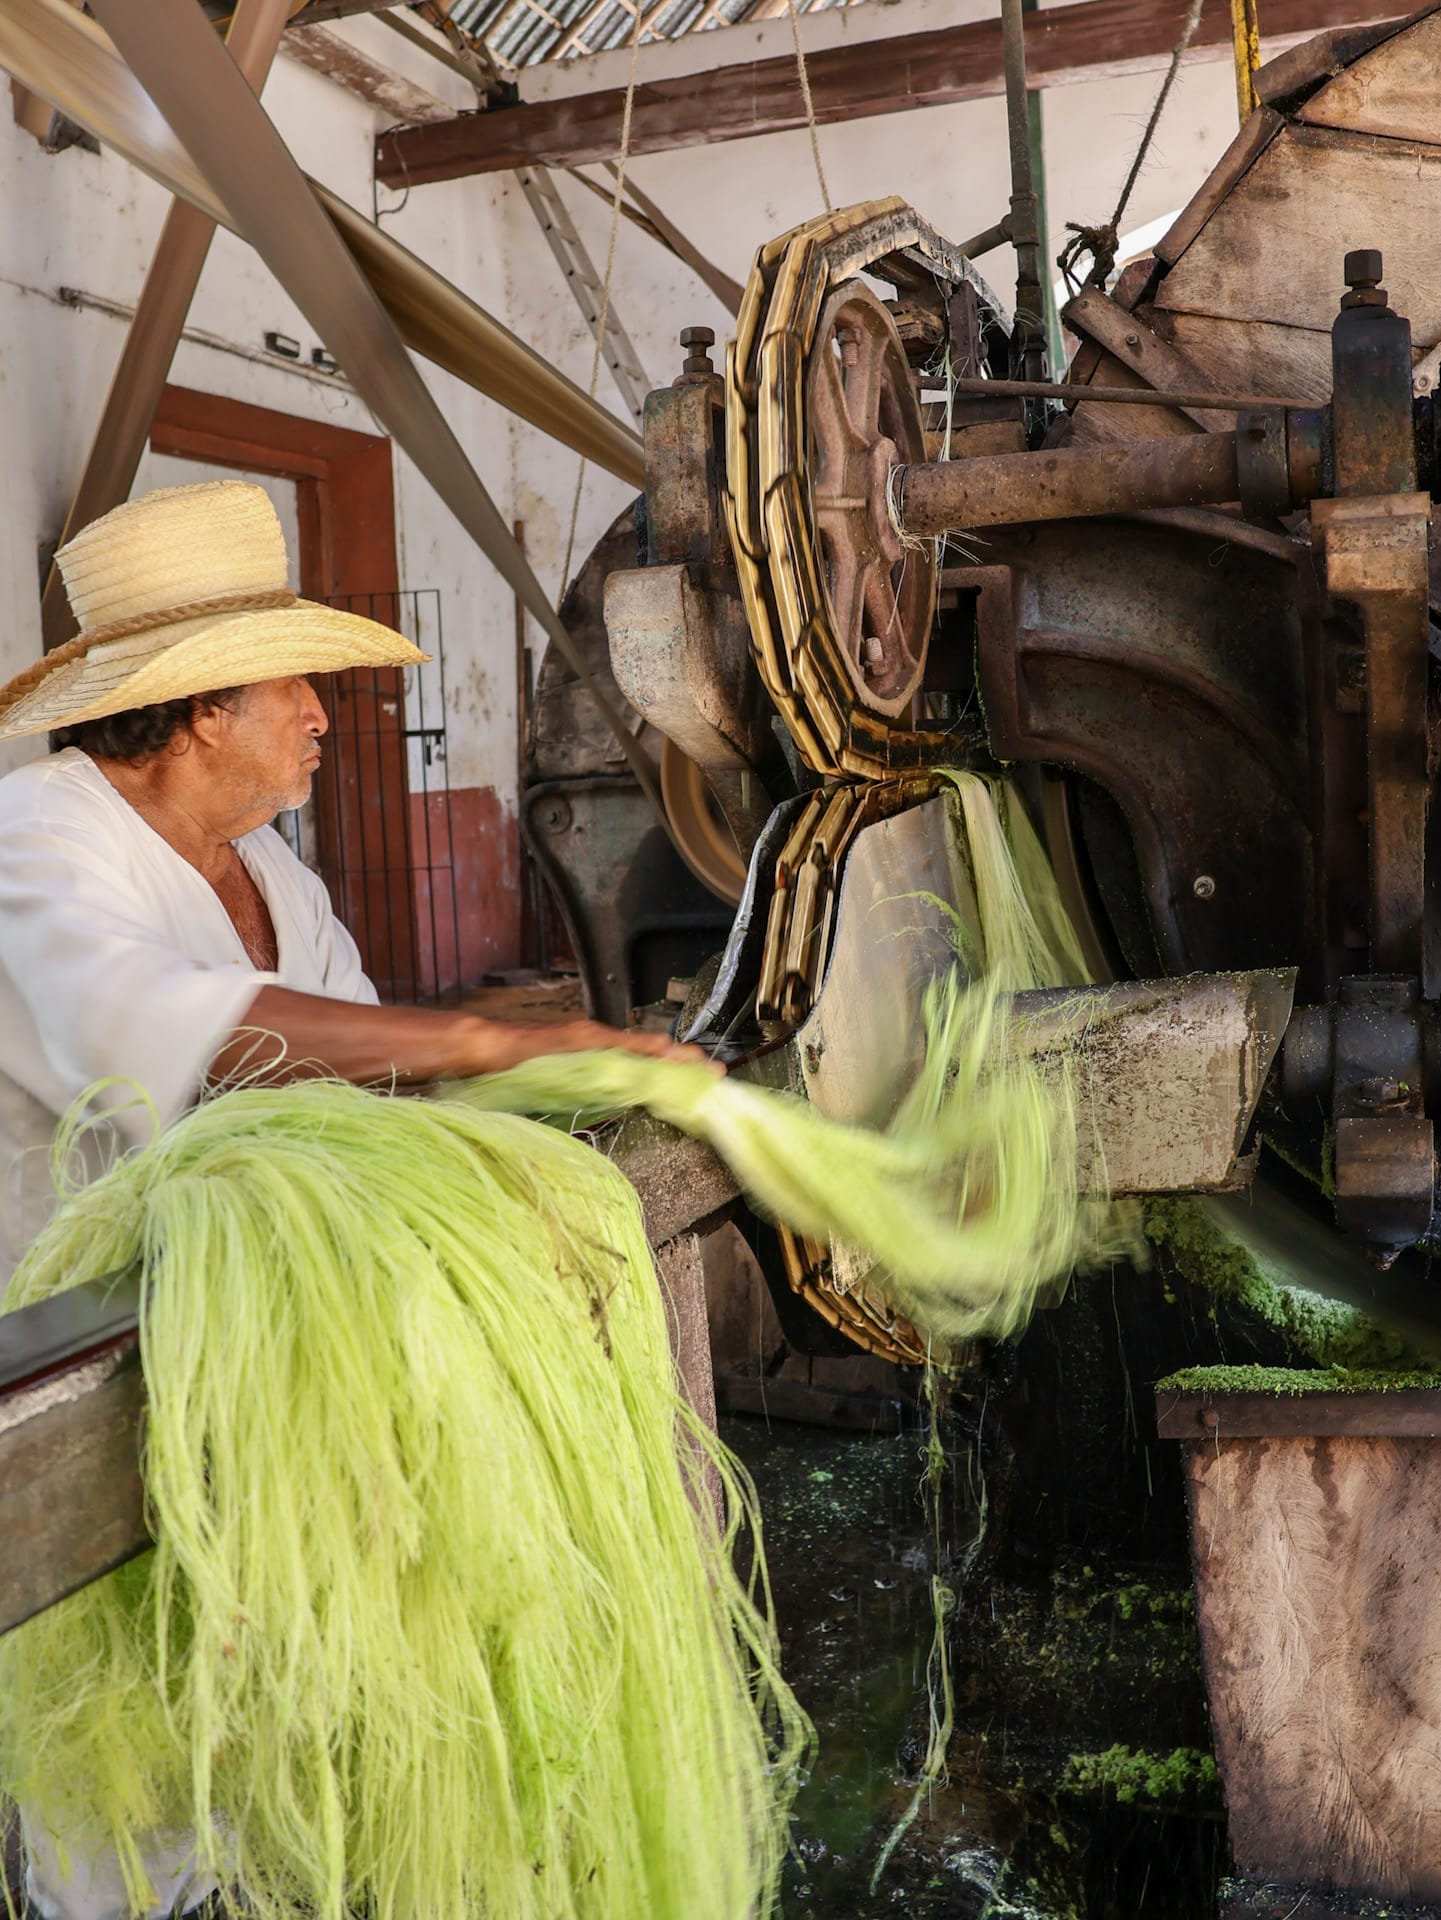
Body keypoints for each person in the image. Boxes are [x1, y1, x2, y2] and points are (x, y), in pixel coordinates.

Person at [0, 479, 707, 1919]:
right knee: (116, 1739)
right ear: (201, 710)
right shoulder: (34, 839)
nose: (327, 715)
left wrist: (557, 1094)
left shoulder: (266, 868)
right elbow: (160, 1031)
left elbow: (359, 1069)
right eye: (298, 687)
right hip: (58, 1344)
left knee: (262, 1685)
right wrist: (491, 1039)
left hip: (244, 1353)